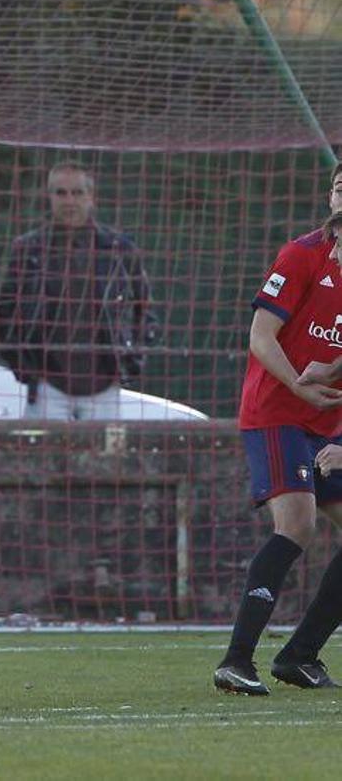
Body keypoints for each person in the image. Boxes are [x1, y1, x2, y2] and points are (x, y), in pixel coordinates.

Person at [215, 169, 342, 695]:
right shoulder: (301, 254)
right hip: (276, 411)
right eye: (339, 184)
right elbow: (260, 337)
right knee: (298, 523)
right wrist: (299, 382)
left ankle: (299, 657)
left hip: (328, 424)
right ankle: (236, 661)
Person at [0, 163, 160, 420]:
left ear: (91, 196)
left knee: (103, 460)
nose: (69, 200)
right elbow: (4, 315)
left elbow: (146, 311)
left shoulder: (120, 250)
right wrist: (24, 368)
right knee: (39, 458)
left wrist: (129, 363)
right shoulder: (28, 250)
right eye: (60, 193)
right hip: (47, 386)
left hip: (103, 387)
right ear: (49, 197)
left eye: (77, 192)